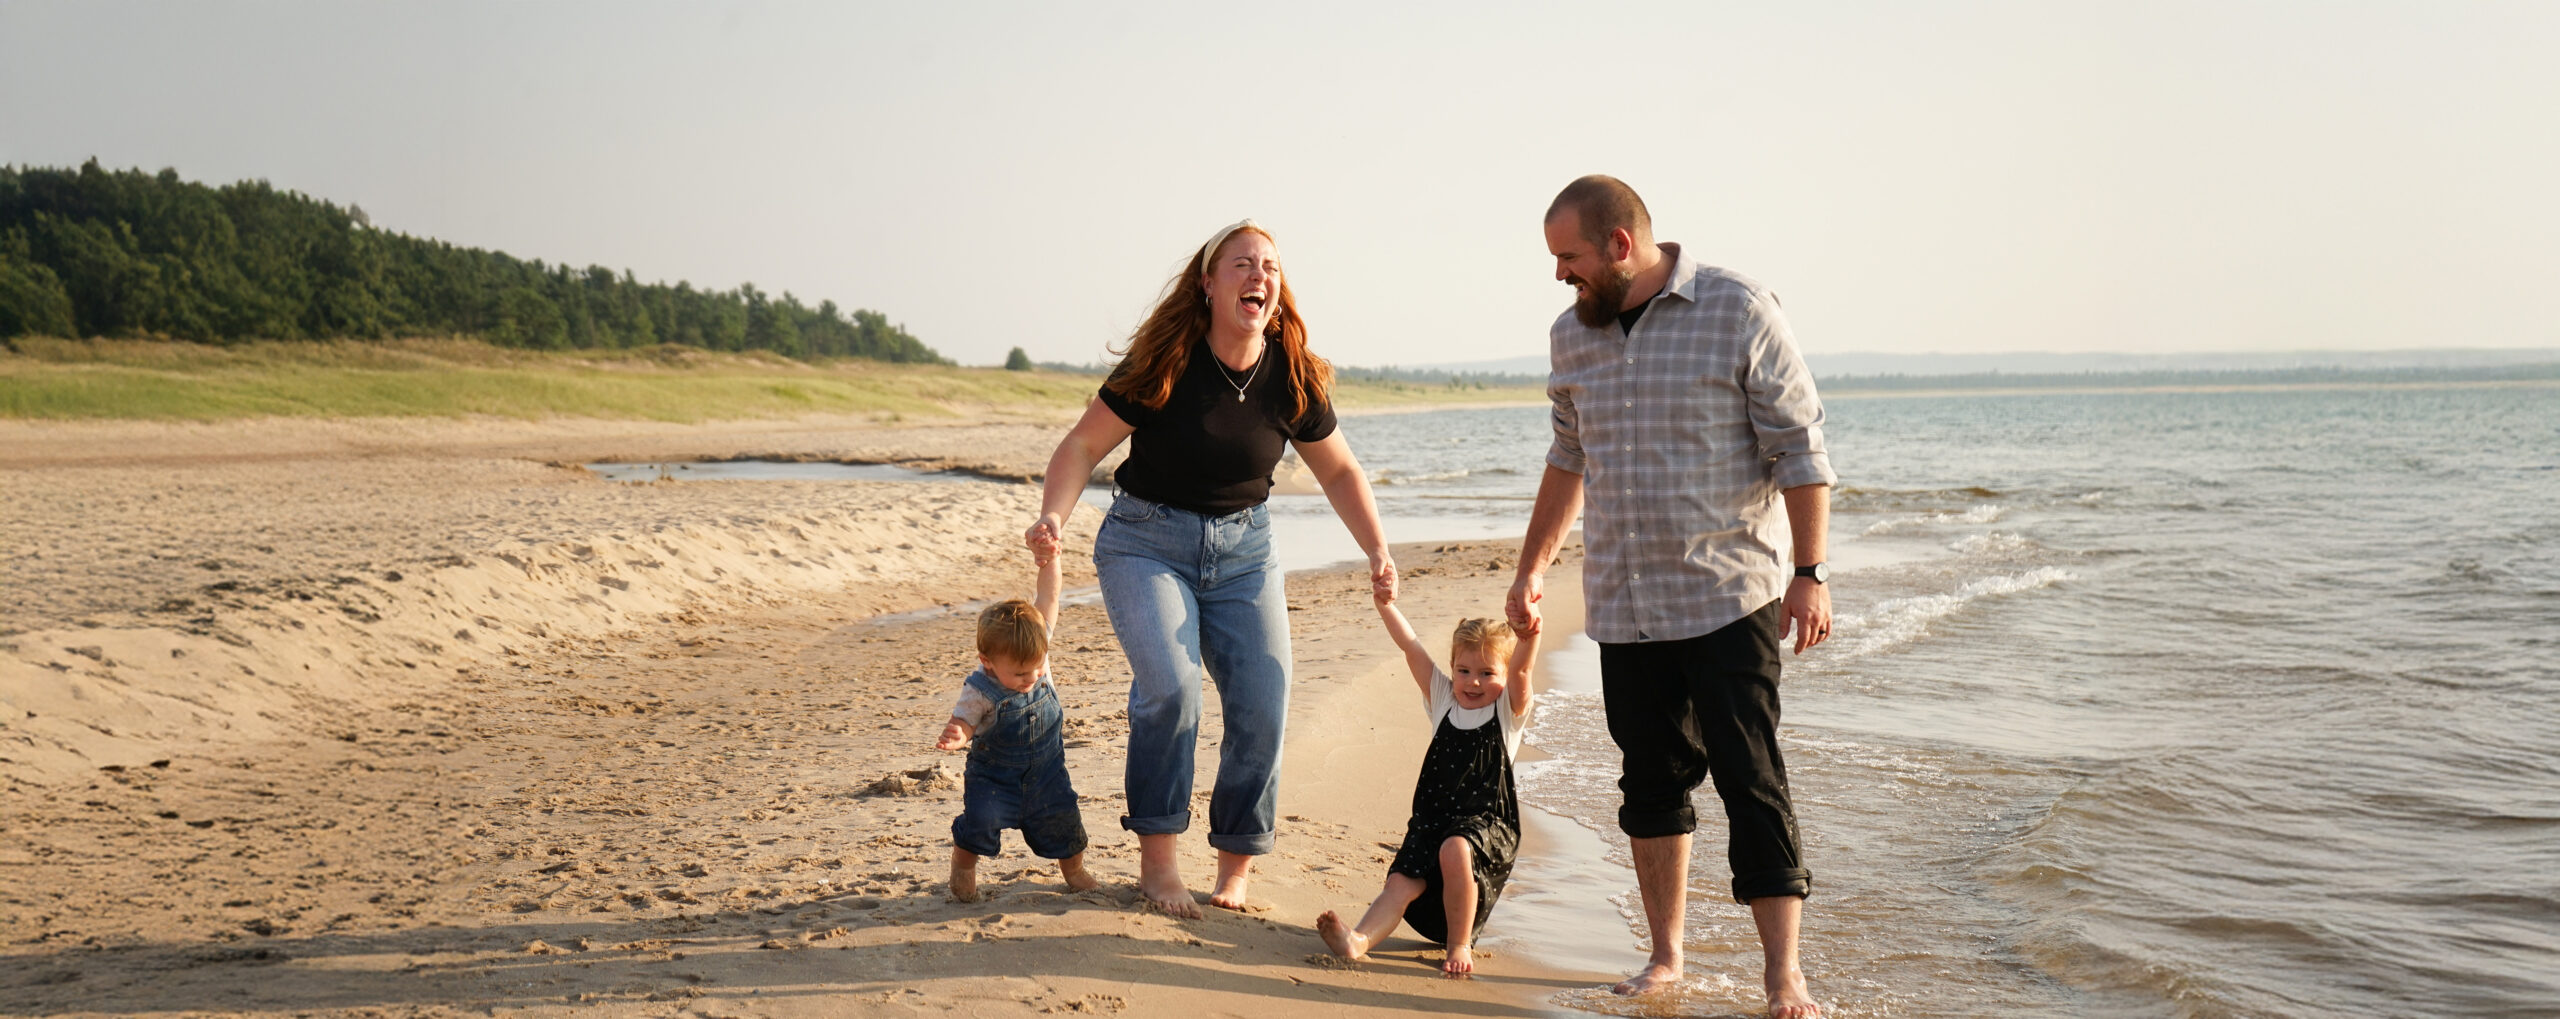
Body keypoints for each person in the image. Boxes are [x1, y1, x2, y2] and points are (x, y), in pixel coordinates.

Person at [1507, 175, 1833, 1018]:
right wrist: (1532, 566)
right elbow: (1567, 458)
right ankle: (1665, 956)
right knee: (1649, 785)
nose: (1559, 276)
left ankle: (1782, 973)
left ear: (1620, 246)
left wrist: (1810, 572)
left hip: (1732, 595)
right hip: (1625, 600)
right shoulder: (1570, 338)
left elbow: (1800, 448)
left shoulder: (1738, 308)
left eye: (1568, 257)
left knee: (1751, 779)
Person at [1027, 219, 1397, 918]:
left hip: (1245, 552)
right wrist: (1055, 515)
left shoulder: (1291, 375)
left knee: (1263, 699)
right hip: (1145, 540)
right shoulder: (1164, 360)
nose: (1259, 275)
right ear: (1209, 283)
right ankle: (1159, 863)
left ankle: (1235, 866)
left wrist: (1378, 549)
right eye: (1242, 264)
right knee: (1171, 690)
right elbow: (1080, 447)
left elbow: (1341, 470)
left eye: (1271, 267)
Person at [1316, 596, 1541, 977]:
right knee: (1400, 882)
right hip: (1432, 821)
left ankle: (1459, 944)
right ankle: (1358, 941)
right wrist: (1386, 604)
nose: (1472, 681)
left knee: (1456, 848)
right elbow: (1410, 647)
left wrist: (1530, 633)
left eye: (1487, 673)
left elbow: (1522, 670)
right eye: (1464, 670)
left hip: (1487, 824)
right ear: (1452, 669)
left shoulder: (1506, 712)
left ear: (1503, 677)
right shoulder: (1443, 701)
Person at [934, 541, 1099, 901]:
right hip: (995, 779)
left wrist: (1050, 560)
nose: (1033, 676)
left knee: (1066, 827)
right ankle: (963, 864)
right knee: (978, 825)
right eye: (1022, 672)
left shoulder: (1037, 656)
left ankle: (1074, 870)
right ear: (988, 660)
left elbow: (1049, 597)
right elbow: (964, 719)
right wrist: (958, 735)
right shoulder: (980, 689)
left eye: (1038, 666)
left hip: (1047, 775)